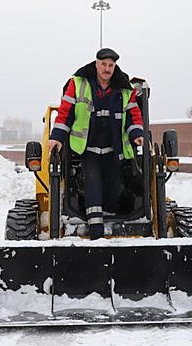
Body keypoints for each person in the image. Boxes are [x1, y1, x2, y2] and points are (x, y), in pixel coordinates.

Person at [48, 48, 144, 240]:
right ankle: (96, 231)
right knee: (92, 182)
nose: (107, 69)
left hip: (113, 148)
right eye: (104, 64)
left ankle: (109, 213)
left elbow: (134, 115)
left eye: (111, 65)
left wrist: (137, 134)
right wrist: (57, 136)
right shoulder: (78, 83)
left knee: (114, 184)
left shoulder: (125, 88)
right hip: (87, 148)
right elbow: (65, 112)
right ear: (96, 64)